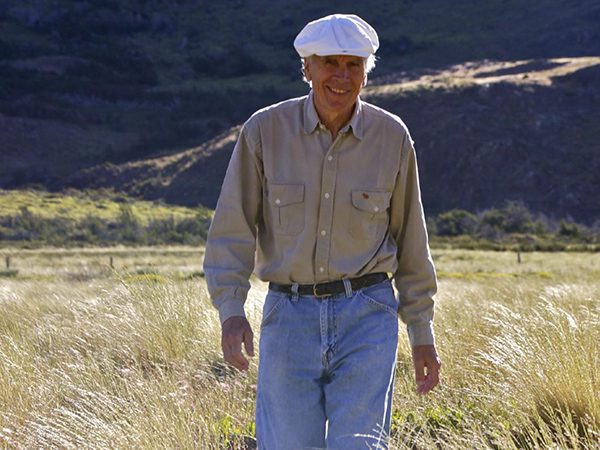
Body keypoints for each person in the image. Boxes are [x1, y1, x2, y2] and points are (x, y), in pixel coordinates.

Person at [204, 13, 441, 450]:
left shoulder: (392, 138)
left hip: (368, 314)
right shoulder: (264, 131)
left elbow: (412, 240)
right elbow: (232, 229)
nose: (341, 75)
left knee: (360, 445)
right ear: (307, 69)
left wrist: (421, 333)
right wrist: (231, 310)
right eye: (329, 62)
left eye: (353, 65)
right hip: (288, 317)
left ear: (366, 74)